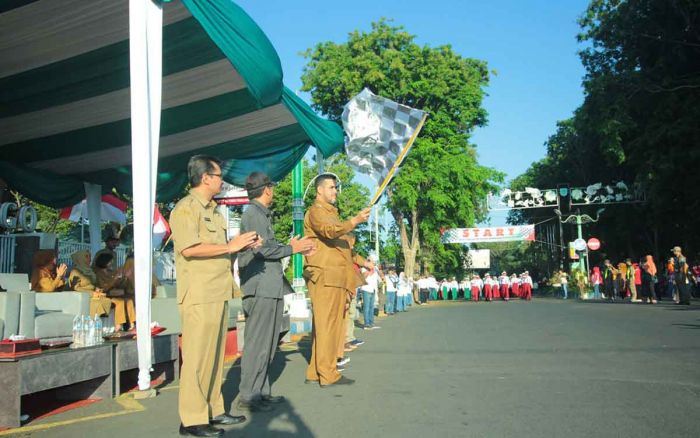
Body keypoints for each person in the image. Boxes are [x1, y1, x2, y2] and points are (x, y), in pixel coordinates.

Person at [170, 155, 259, 437]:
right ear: (205, 177)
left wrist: (242, 245)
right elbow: (189, 249)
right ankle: (193, 421)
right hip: (198, 293)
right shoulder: (185, 209)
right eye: (218, 176)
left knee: (214, 357)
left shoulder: (214, 211)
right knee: (197, 359)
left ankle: (214, 409)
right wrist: (231, 246)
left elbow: (221, 248)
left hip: (217, 291)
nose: (222, 181)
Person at [236, 172, 315, 412]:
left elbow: (266, 248)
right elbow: (261, 250)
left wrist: (289, 247)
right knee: (258, 343)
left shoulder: (259, 214)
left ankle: (260, 391)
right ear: (267, 190)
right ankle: (249, 395)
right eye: (272, 187)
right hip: (260, 287)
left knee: (268, 344)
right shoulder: (253, 214)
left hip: (268, 286)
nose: (274, 191)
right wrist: (293, 248)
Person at [302, 173, 371, 387]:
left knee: (327, 325)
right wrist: (355, 221)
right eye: (331, 188)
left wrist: (362, 262)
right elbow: (330, 232)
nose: (335, 192)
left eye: (335, 188)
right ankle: (328, 373)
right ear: (319, 190)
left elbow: (343, 246)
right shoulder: (316, 212)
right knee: (328, 326)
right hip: (325, 275)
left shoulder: (331, 213)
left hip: (334, 276)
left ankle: (316, 371)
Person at [93, 252, 135, 330]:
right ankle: (118, 325)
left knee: (129, 300)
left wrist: (124, 278)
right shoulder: (98, 273)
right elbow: (104, 288)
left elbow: (117, 285)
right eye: (110, 261)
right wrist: (115, 279)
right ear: (104, 261)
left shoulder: (111, 272)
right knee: (120, 302)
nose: (112, 263)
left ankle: (132, 324)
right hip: (105, 295)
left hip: (113, 293)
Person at [68, 250, 113, 318]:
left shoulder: (90, 271)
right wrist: (92, 293)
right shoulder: (75, 271)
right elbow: (75, 288)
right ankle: (94, 323)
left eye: (90, 256)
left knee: (107, 301)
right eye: (86, 256)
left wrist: (97, 289)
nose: (89, 259)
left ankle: (104, 325)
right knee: (97, 304)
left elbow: (94, 284)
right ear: (80, 258)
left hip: (94, 295)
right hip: (82, 297)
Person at [360, 261, 381, 329]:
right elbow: (363, 277)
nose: (374, 263)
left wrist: (378, 271)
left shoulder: (375, 269)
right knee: (366, 307)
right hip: (366, 289)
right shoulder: (364, 268)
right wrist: (369, 271)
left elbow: (378, 278)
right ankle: (366, 324)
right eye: (372, 262)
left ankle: (371, 323)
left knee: (372, 307)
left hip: (373, 289)